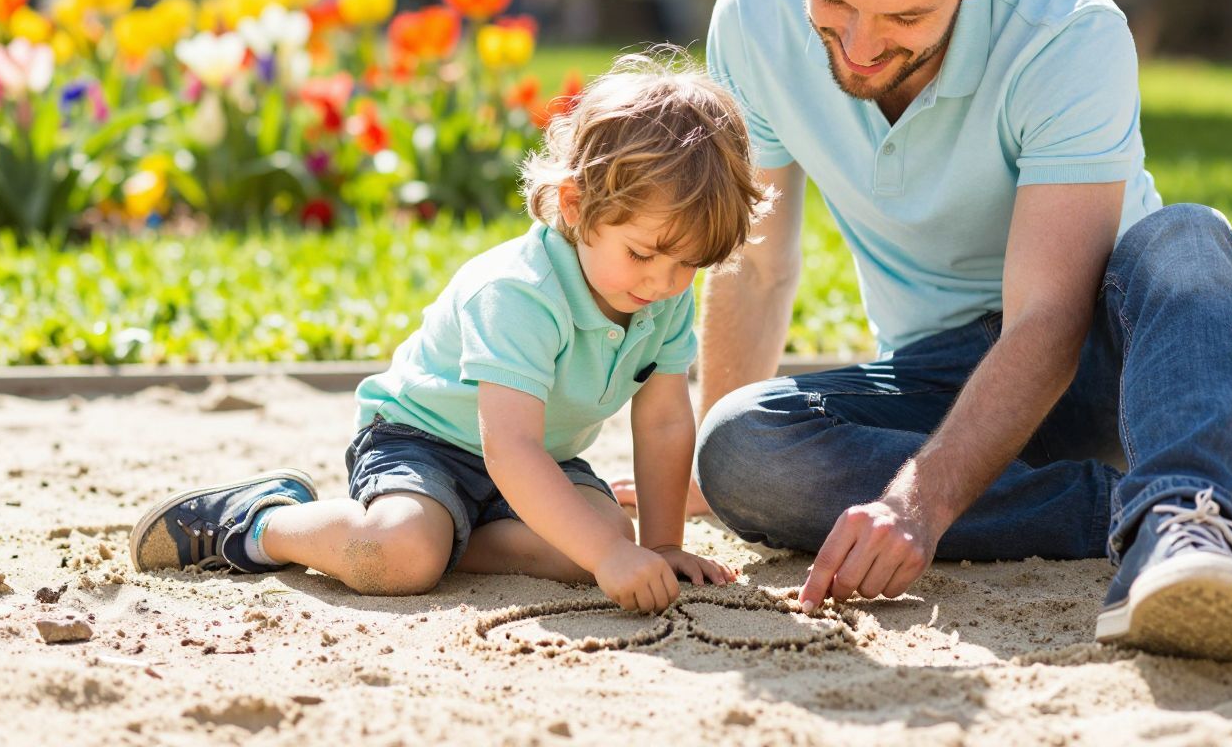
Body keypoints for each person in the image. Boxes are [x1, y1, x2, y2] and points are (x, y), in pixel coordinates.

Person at [667, 0, 1232, 662]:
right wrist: (707, 476)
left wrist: (919, 503)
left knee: (1190, 240)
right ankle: (1200, 496)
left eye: (905, 18)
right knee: (741, 447)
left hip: (1107, 358)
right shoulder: (753, 19)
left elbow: (1050, 316)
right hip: (939, 376)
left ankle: (1188, 535)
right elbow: (754, 266)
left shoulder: (1065, 29)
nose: (861, 45)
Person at [129, 58, 772, 611]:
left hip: (535, 461)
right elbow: (509, 447)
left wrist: (660, 546)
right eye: (644, 254)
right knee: (399, 558)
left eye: (688, 264)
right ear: (576, 208)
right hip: (426, 444)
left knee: (597, 541)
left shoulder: (662, 295)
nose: (664, 282)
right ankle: (261, 521)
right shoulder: (519, 293)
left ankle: (445, 540)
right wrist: (611, 554)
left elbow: (661, 423)